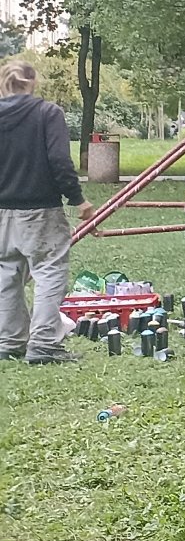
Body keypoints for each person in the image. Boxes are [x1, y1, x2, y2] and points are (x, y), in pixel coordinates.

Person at [0, 60, 89, 365]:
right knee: (49, 271)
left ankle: (10, 341)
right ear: (33, 82)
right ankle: (43, 344)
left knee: (6, 274)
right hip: (39, 210)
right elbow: (59, 161)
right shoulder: (47, 113)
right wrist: (78, 200)